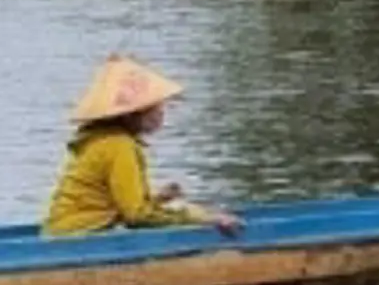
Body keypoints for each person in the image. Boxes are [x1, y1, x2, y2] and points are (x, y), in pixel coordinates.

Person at [41, 54, 244, 238]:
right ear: (133, 114)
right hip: (78, 238)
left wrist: (157, 200)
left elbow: (120, 205)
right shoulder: (120, 146)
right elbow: (136, 216)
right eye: (156, 108)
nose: (162, 114)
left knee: (186, 210)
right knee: (191, 212)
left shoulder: (103, 140)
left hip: (62, 232)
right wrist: (204, 220)